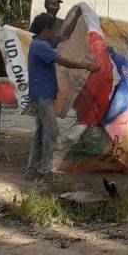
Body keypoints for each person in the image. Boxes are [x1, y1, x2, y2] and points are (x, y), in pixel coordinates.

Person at [25, 11, 97, 177]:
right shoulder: (41, 46)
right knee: (51, 132)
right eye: (52, 29)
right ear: (45, 29)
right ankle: (46, 170)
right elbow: (61, 60)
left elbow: (65, 36)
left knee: (40, 133)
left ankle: (32, 170)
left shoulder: (43, 43)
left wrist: (77, 16)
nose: (54, 33)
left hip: (42, 94)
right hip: (42, 95)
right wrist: (85, 66)